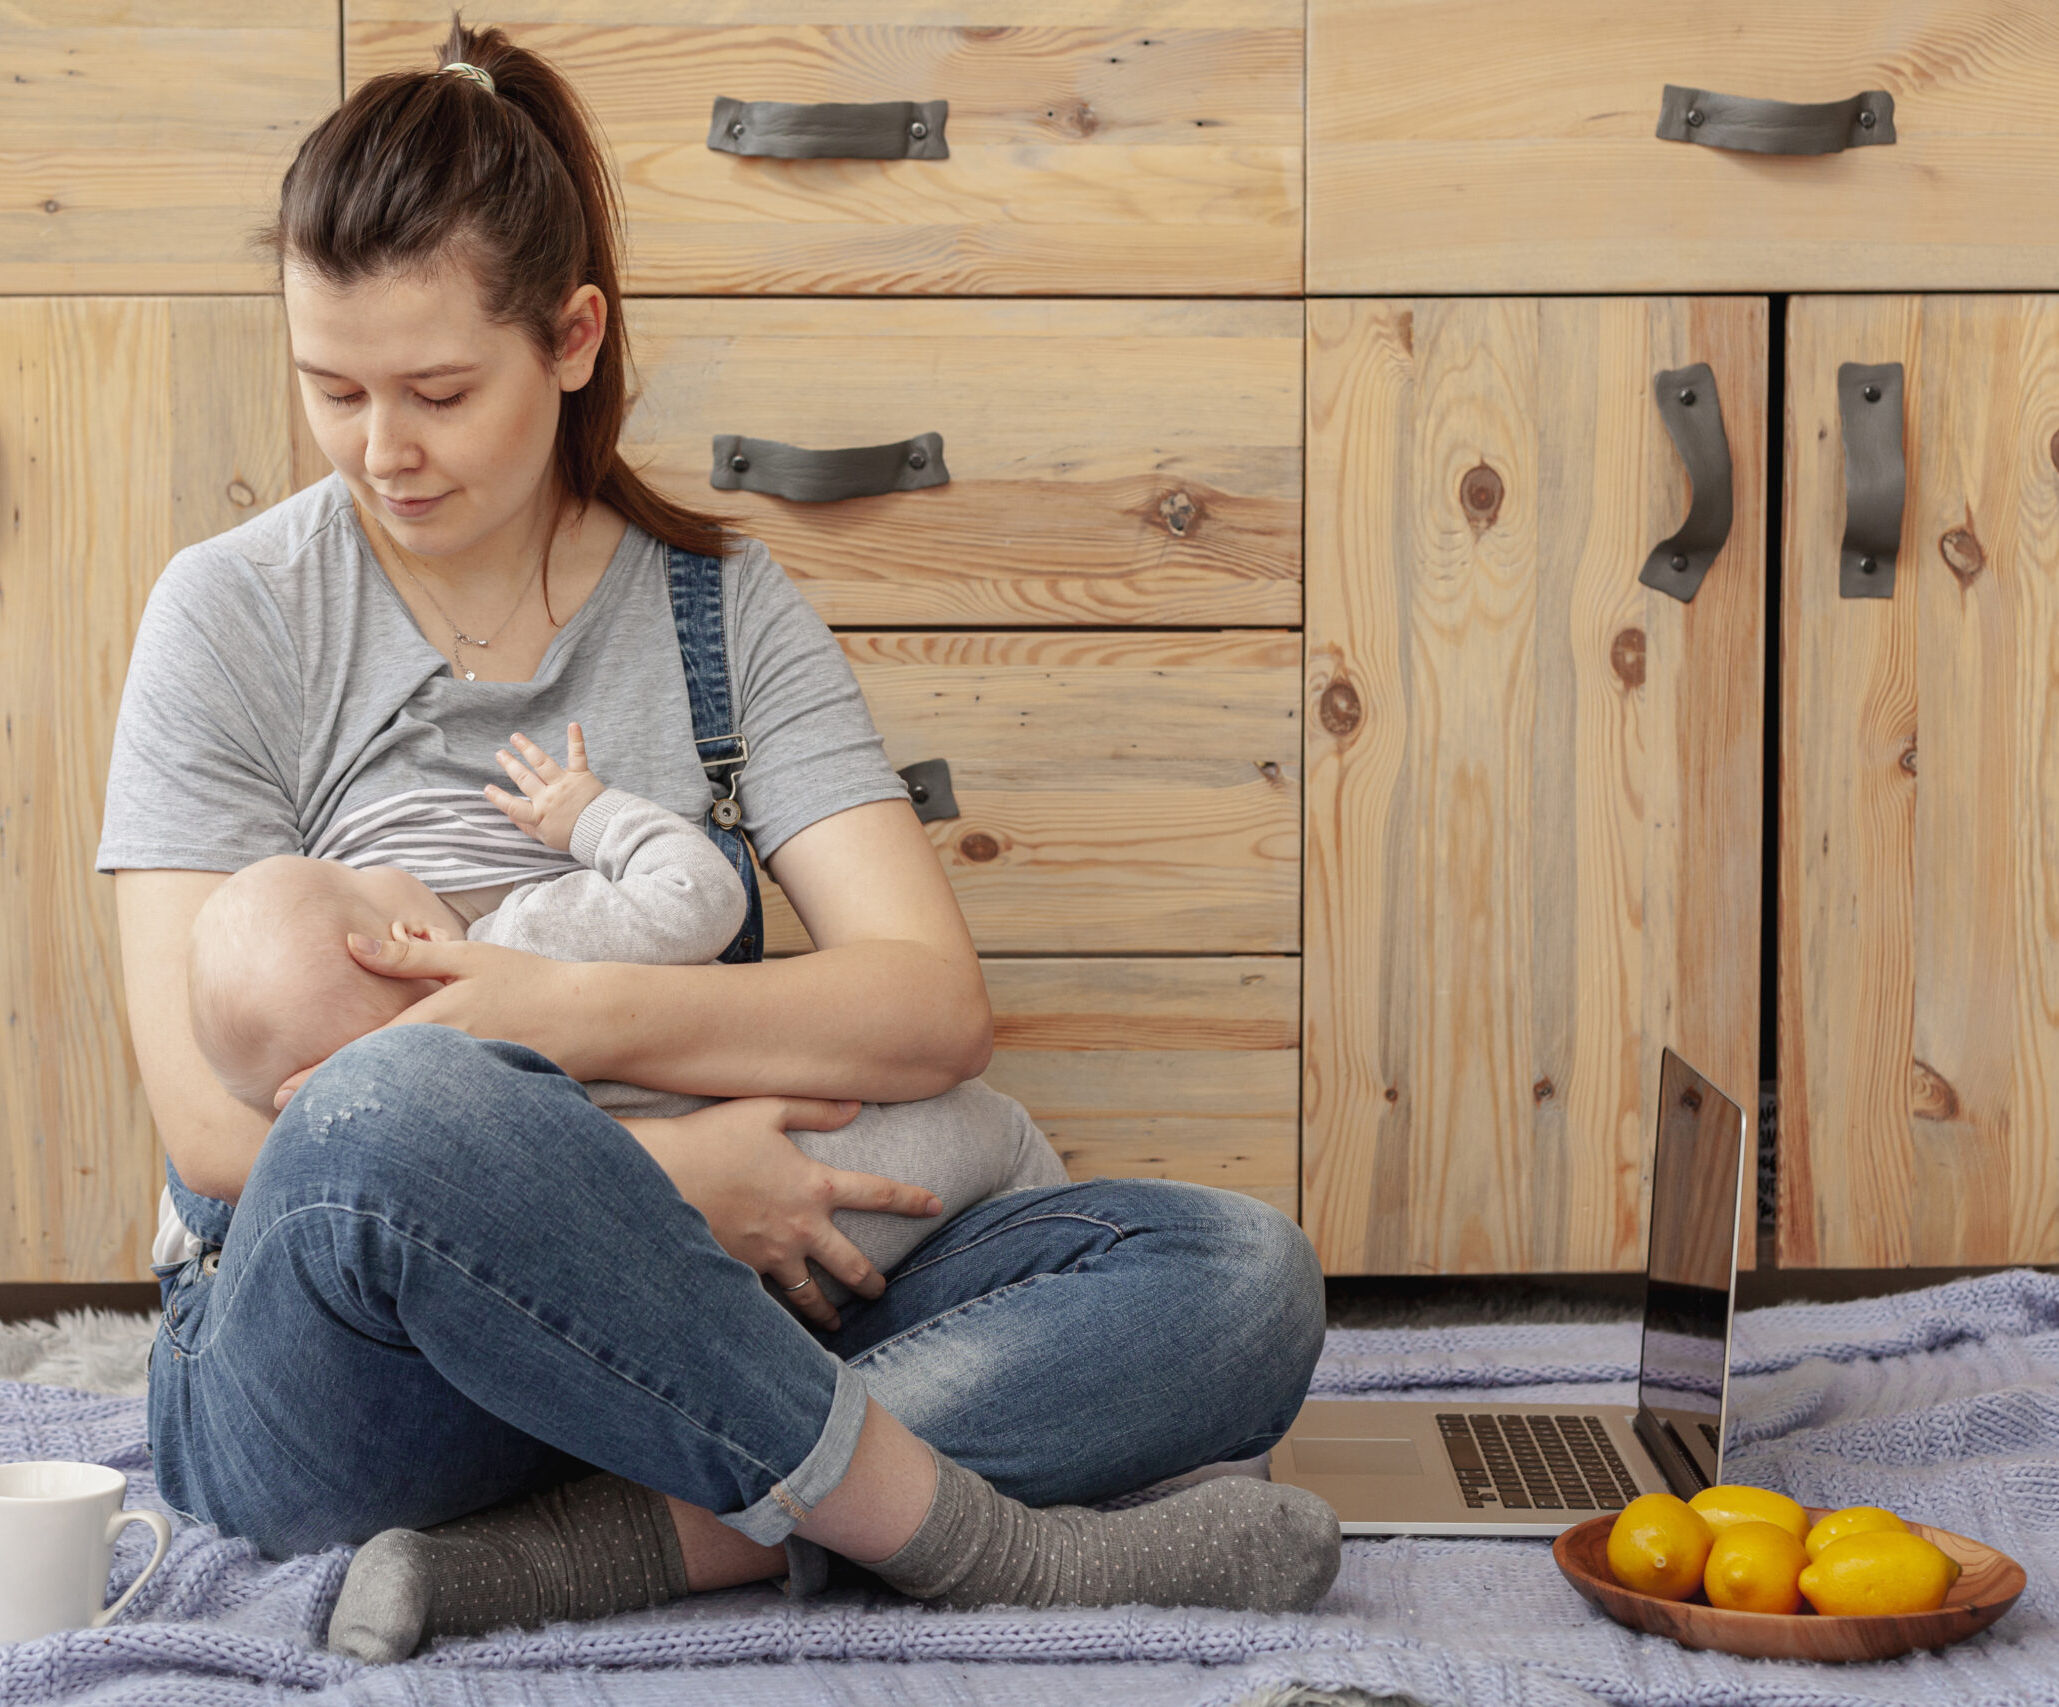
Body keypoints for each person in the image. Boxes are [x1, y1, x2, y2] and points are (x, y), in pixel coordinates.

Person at [96, 19, 1335, 1662]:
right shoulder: (238, 613)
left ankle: (605, 1548)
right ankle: (968, 1538)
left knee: (1236, 1278)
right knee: (395, 1094)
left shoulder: (719, 616)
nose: (379, 450)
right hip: (355, 1382)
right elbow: (217, 1139)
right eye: (332, 388)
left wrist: (556, 1012)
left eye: (438, 391)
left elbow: (927, 1004)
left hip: (718, 1333)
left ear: (574, 338)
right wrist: (669, 1183)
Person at [185, 719, 1070, 1294]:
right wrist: (593, 819)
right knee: (1013, 1151)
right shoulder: (531, 932)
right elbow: (703, 895)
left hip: (678, 1289)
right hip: (833, 1180)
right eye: (349, 870)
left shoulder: (419, 1128)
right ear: (409, 935)